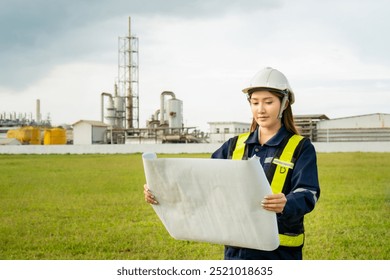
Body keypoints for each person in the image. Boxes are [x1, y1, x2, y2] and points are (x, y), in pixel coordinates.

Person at [144, 67, 320, 260]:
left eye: (268, 102)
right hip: (237, 250)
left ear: (284, 103)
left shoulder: (301, 147)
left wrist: (286, 202)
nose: (260, 109)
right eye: (255, 102)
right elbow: (201, 183)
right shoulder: (234, 146)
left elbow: (308, 193)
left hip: (280, 252)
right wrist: (161, 190)